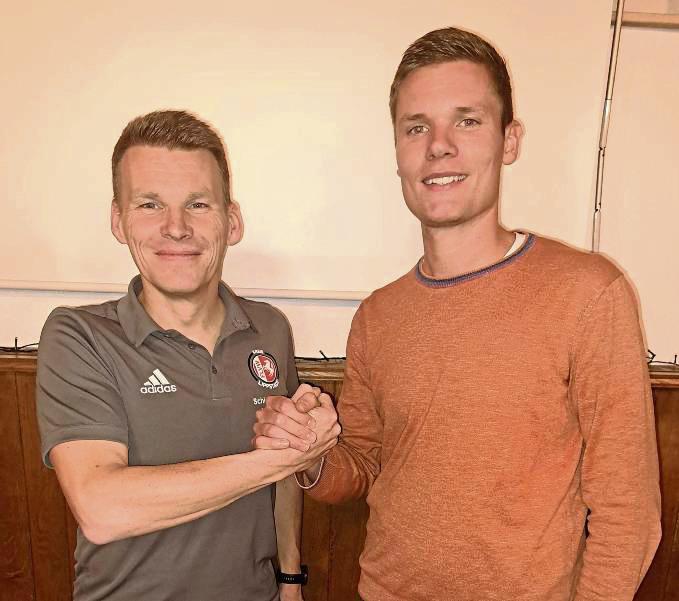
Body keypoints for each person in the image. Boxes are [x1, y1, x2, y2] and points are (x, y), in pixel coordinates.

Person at [253, 27, 662, 601]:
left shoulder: (589, 293)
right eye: (416, 127)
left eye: (466, 121)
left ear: (509, 140)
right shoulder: (378, 314)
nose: (438, 146)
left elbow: (628, 513)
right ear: (397, 149)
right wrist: (309, 453)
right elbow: (363, 467)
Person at [36, 110, 340, 601]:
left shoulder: (269, 328)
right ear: (118, 219)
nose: (176, 228)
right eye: (150, 204)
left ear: (232, 220)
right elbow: (103, 509)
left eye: (198, 204)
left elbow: (282, 488)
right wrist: (289, 456)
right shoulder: (78, 335)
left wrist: (289, 579)